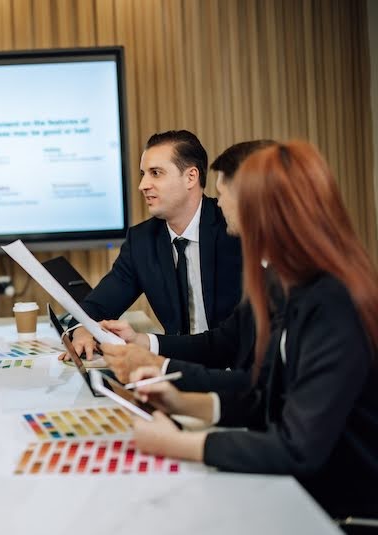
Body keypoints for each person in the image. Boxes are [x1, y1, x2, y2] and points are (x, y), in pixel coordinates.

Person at [121, 141, 378, 518]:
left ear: (260, 210)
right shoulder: (285, 282)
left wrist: (178, 444)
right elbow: (266, 397)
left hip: (336, 509)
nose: (218, 204)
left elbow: (297, 448)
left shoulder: (334, 303)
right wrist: (183, 401)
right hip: (300, 491)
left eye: (224, 195)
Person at [99, 140, 278, 392]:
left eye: (224, 193)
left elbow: (259, 384)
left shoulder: (285, 277)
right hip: (220, 384)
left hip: (237, 387)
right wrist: (144, 344)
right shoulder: (142, 239)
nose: (219, 203)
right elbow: (224, 341)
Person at [66, 130, 242, 363]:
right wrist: (82, 331)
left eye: (156, 173)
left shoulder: (234, 229)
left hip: (237, 372)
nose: (142, 185)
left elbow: (239, 338)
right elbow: (95, 306)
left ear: (190, 177)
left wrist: (144, 342)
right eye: (143, 174)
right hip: (177, 369)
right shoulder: (143, 240)